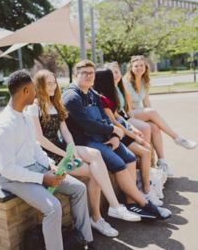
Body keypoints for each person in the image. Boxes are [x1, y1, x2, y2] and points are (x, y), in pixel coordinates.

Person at [0, 70, 94, 250]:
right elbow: (7, 169)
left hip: (36, 168)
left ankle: (84, 240)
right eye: (33, 89)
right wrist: (43, 178)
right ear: (25, 92)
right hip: (12, 178)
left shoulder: (25, 115)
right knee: (53, 208)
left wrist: (50, 165)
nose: (37, 92)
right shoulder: (4, 127)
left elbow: (35, 147)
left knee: (79, 189)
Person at [28, 69, 140, 237]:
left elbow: (65, 132)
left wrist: (72, 150)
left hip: (62, 148)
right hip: (46, 155)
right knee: (95, 173)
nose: (53, 86)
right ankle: (98, 217)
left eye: (54, 83)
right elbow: (40, 139)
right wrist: (65, 153)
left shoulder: (55, 104)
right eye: (48, 83)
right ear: (40, 85)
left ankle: (115, 207)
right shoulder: (34, 107)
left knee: (95, 154)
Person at [62, 60, 172, 220]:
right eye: (84, 73)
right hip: (85, 141)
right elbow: (88, 124)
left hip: (103, 137)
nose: (88, 76)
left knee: (130, 157)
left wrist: (114, 135)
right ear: (75, 75)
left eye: (91, 73)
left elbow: (103, 118)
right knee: (119, 164)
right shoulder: (72, 97)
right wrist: (113, 130)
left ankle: (131, 202)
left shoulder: (92, 93)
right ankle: (145, 204)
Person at [93, 68, 163, 206]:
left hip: (123, 128)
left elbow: (118, 115)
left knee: (147, 149)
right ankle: (146, 190)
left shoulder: (108, 94)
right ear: (105, 80)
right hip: (117, 132)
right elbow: (113, 121)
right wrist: (133, 136)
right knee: (145, 151)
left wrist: (134, 128)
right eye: (111, 76)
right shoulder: (101, 98)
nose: (115, 77)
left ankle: (145, 186)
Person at [124, 55, 197, 175]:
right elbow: (127, 106)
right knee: (151, 112)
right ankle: (177, 138)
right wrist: (148, 113)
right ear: (131, 68)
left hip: (140, 113)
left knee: (155, 127)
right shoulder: (126, 82)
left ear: (145, 67)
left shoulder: (144, 81)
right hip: (128, 114)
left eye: (141, 65)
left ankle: (162, 162)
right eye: (136, 66)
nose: (139, 68)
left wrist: (150, 117)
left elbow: (146, 103)